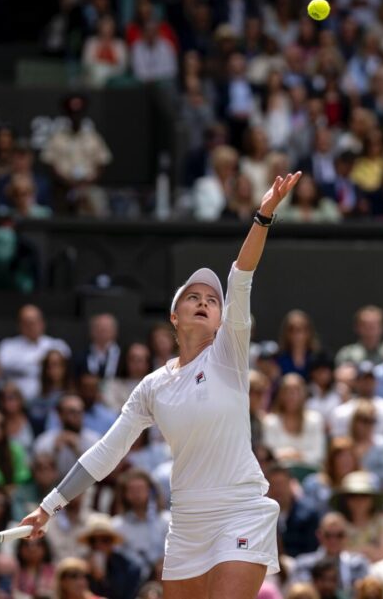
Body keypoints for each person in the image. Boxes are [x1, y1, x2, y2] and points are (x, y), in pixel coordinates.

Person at [20, 172, 302, 597]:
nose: (206, 301)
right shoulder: (152, 387)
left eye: (212, 300)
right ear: (175, 316)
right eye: (194, 297)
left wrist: (263, 215)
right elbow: (107, 451)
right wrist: (49, 505)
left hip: (240, 510)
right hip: (187, 520)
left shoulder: (229, 353)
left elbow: (241, 275)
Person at [41, 94, 113, 215]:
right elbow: (50, 164)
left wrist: (85, 184)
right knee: (59, 203)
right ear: (67, 115)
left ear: (83, 114)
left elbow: (102, 163)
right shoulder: (57, 138)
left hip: (89, 186)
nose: (75, 116)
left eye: (78, 113)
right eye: (71, 113)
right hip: (63, 187)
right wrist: (69, 183)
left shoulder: (93, 137)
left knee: (98, 202)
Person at [0, 305, 71, 402]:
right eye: (26, 323)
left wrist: (23, 364)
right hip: (18, 403)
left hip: (52, 400)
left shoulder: (57, 344)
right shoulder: (7, 346)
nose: (31, 326)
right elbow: (3, 366)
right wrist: (38, 361)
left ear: (42, 323)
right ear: (19, 325)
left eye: (34, 322)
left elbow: (65, 364)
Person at [292, 513, 370, 594]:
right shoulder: (304, 564)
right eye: (328, 535)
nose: (333, 540)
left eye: (339, 535)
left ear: (346, 536)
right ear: (319, 535)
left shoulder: (358, 564)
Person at [263, 373, 326, 467]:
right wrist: (295, 454)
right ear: (281, 395)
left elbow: (318, 454)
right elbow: (269, 455)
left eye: (296, 391)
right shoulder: (270, 422)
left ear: (304, 394)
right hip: (278, 474)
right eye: (287, 391)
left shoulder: (315, 420)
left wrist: (293, 455)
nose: (291, 395)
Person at [75, 513, 143, 599]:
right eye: (93, 541)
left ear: (112, 542)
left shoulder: (129, 569)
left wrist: (102, 581)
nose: (98, 545)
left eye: (104, 540)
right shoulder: (80, 568)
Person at [33, 395, 103, 477]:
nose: (77, 416)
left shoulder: (94, 440)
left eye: (80, 412)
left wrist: (78, 450)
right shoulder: (44, 441)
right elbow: (38, 471)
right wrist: (55, 451)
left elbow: (99, 470)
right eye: (72, 412)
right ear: (60, 415)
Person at [75, 313, 121, 380]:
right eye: (99, 328)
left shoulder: (122, 356)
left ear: (115, 332)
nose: (102, 332)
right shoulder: (81, 357)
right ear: (92, 331)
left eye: (106, 329)